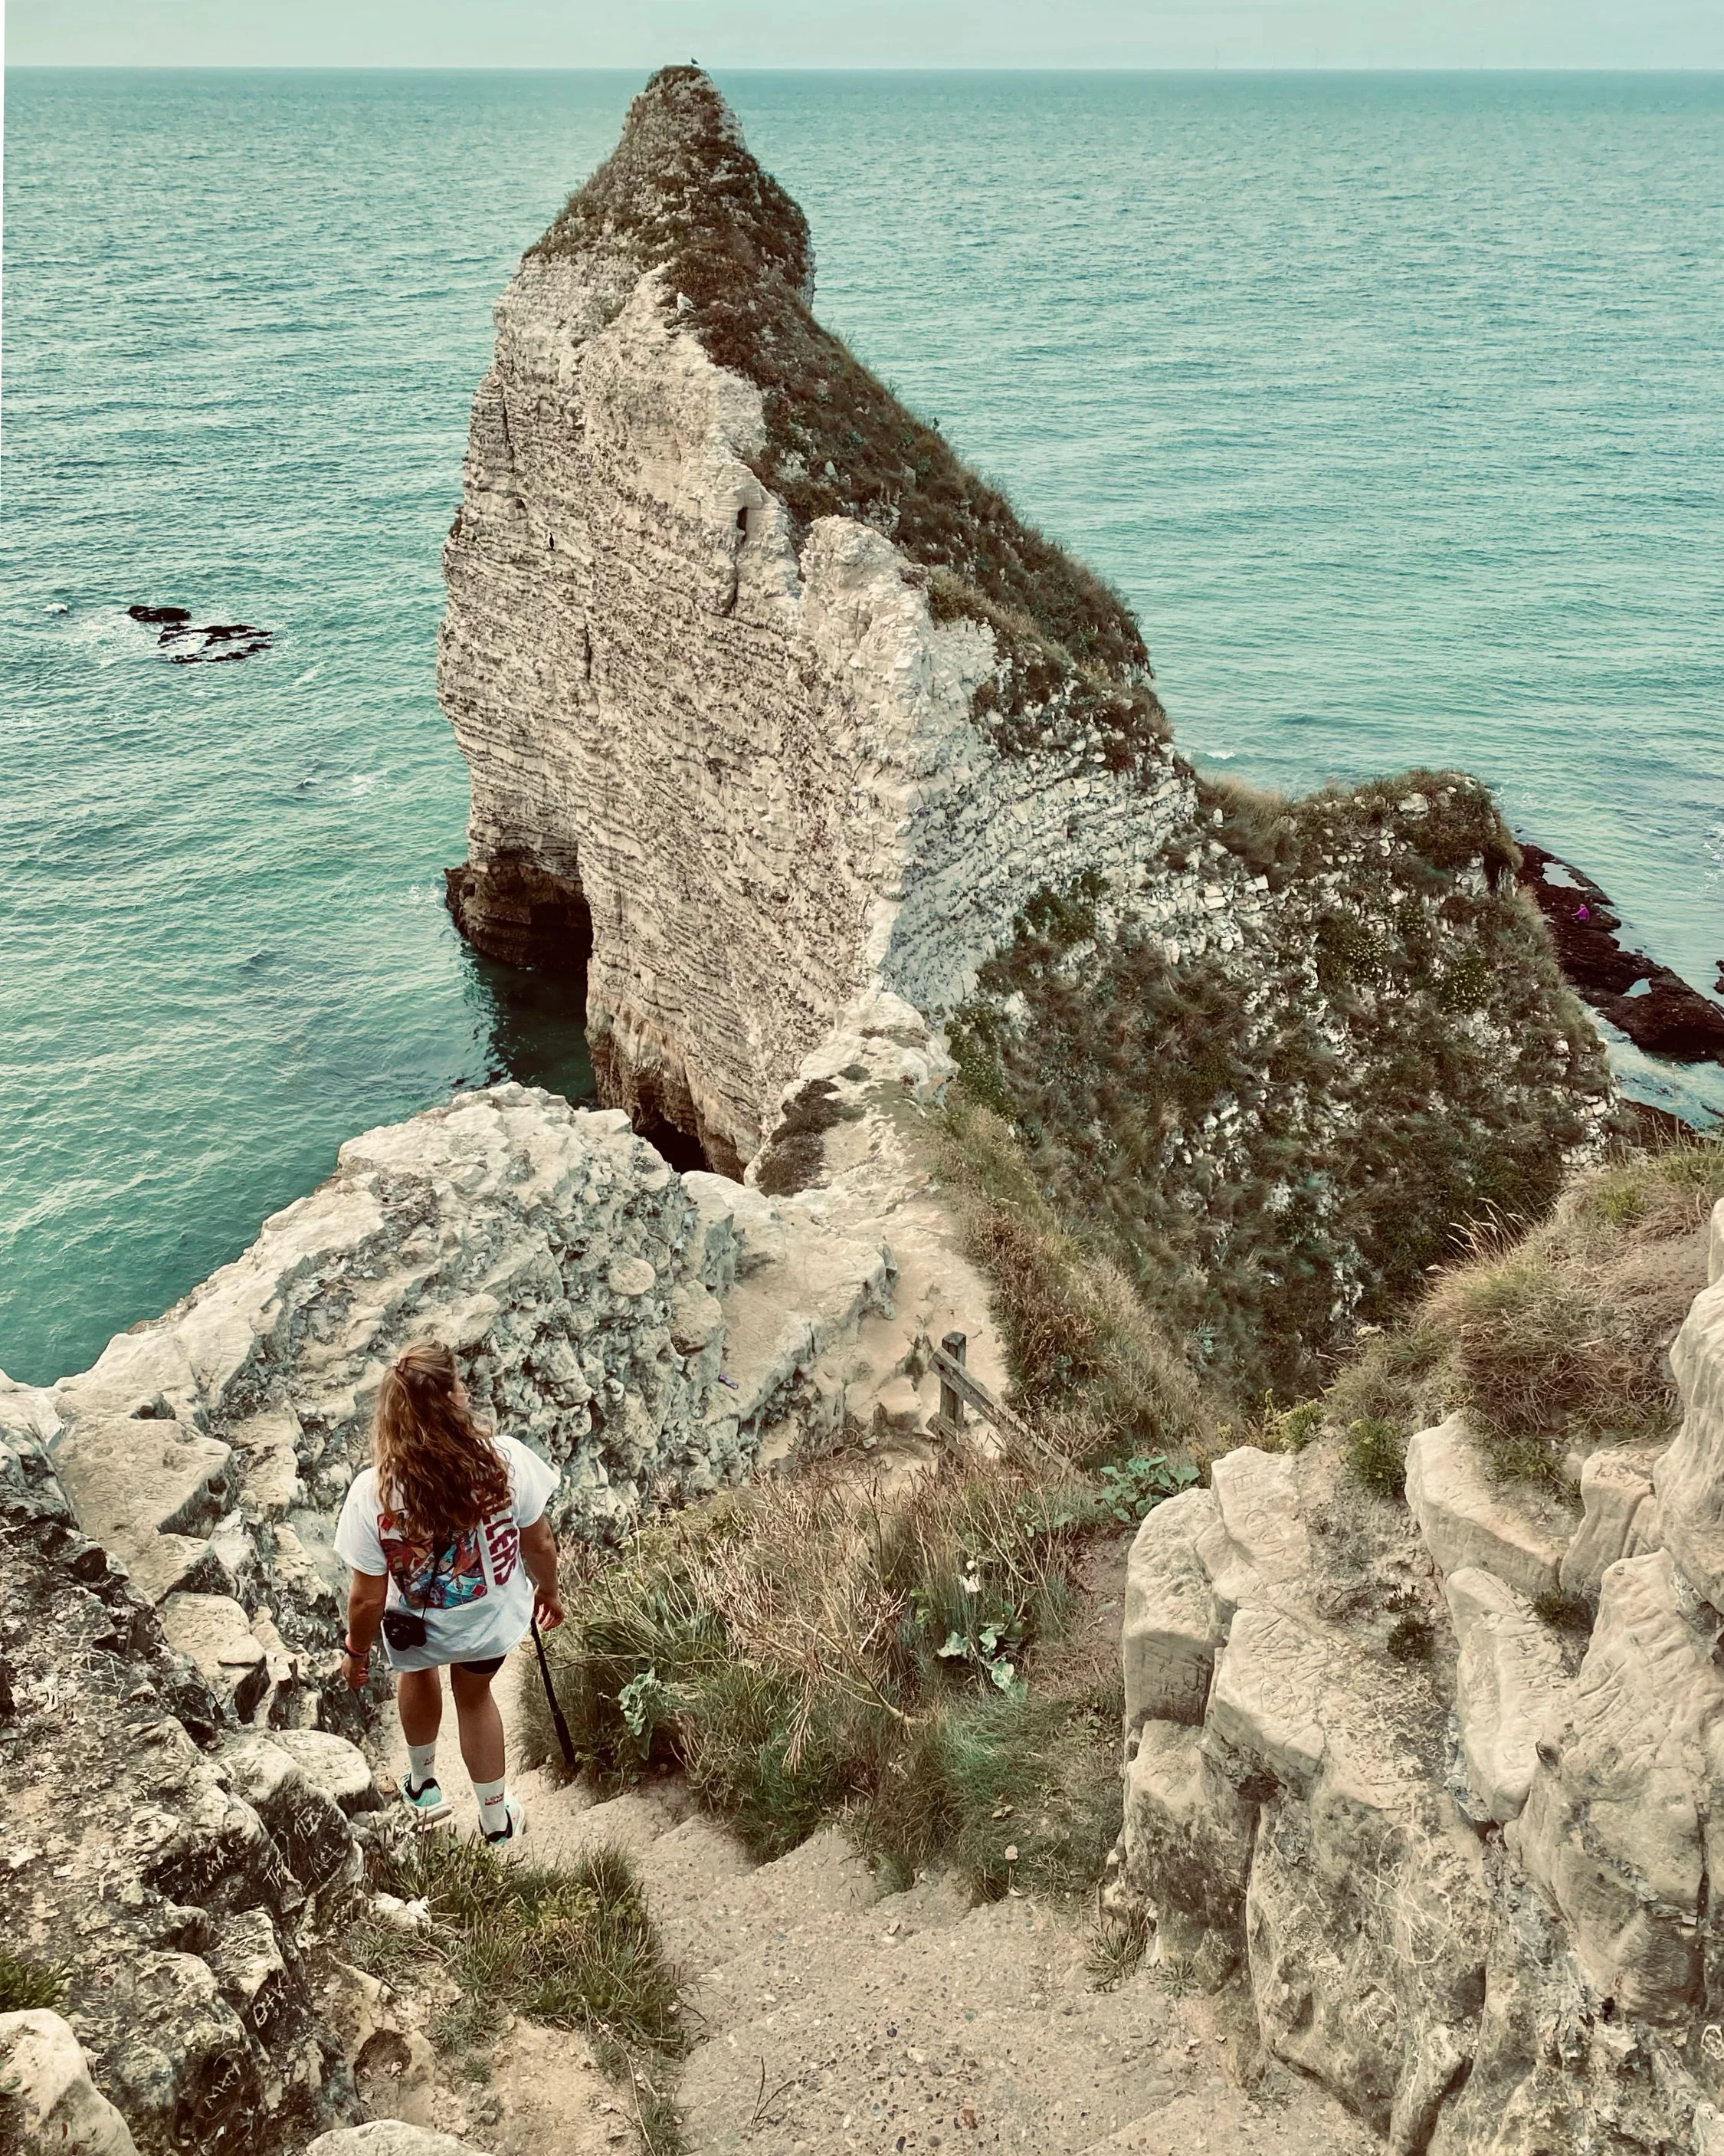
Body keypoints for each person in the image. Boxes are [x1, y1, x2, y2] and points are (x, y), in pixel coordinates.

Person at [334, 1340, 565, 1845]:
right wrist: (548, 1591)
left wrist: (355, 1651)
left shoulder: (372, 1492)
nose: (465, 1390)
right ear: (454, 1398)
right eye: (459, 1383)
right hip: (490, 1623)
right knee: (475, 1696)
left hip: (417, 1627)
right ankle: (496, 1822)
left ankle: (423, 1786)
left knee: (417, 1675)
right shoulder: (507, 1460)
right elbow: (540, 1541)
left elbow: (367, 1598)